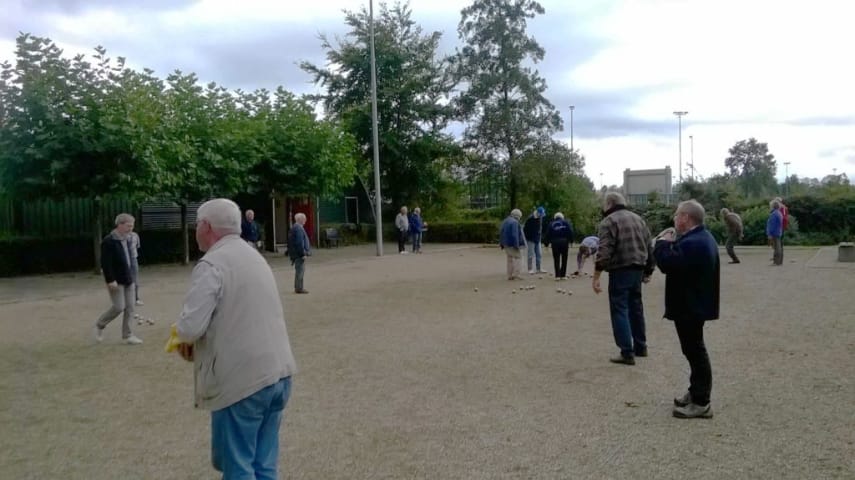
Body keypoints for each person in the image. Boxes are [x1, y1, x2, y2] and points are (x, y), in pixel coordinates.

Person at [173, 198, 297, 479]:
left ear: (205, 226)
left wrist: (183, 338)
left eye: (196, 225)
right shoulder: (254, 255)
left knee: (238, 467)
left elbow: (190, 327)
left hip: (243, 381)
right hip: (278, 373)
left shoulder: (213, 264)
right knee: (264, 465)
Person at [653, 200, 720, 419]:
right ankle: (695, 392)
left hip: (691, 306)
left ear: (686, 218)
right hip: (693, 304)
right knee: (692, 350)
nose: (674, 218)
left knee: (695, 351)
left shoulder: (695, 242)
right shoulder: (701, 238)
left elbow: (667, 263)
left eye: (677, 214)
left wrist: (662, 243)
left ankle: (701, 402)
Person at [592, 192, 655, 365]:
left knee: (619, 309)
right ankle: (641, 346)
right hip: (637, 269)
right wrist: (649, 270)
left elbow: (604, 251)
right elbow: (649, 246)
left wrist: (596, 275)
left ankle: (627, 352)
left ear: (610, 204)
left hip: (620, 269)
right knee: (636, 308)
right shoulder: (638, 219)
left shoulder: (609, 221)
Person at [93, 213, 143, 345]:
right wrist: (110, 280)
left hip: (128, 278)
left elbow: (131, 259)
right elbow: (105, 262)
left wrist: (133, 276)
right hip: (116, 280)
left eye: (132, 226)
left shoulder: (128, 239)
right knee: (119, 307)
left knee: (130, 307)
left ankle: (128, 335)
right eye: (128, 226)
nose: (131, 228)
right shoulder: (108, 241)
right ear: (119, 225)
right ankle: (100, 324)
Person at [544, 212, 574, 280]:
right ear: (562, 217)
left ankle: (557, 275)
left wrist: (546, 244)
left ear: (555, 217)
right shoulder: (566, 223)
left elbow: (547, 234)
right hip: (564, 242)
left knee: (556, 259)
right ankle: (563, 275)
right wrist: (571, 241)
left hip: (554, 243)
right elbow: (570, 232)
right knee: (564, 259)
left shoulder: (551, 224)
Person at [287, 212, 311, 294]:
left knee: (300, 270)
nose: (305, 220)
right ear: (300, 219)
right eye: (304, 218)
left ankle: (298, 287)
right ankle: (299, 288)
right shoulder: (298, 228)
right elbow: (299, 242)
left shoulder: (295, 227)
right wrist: (303, 254)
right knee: (300, 271)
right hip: (299, 254)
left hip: (296, 254)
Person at [499, 208, 526, 280]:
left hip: (506, 243)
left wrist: (501, 243)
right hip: (512, 243)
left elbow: (501, 231)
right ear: (518, 216)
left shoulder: (505, 221)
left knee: (509, 259)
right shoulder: (514, 222)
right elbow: (515, 235)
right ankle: (517, 274)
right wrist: (516, 245)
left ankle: (509, 275)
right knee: (518, 258)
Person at [523, 207, 547, 274]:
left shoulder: (540, 218)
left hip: (537, 239)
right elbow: (525, 230)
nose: (542, 216)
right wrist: (528, 238)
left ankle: (539, 269)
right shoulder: (530, 219)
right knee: (530, 254)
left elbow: (540, 228)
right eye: (541, 214)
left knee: (539, 254)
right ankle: (530, 269)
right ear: (538, 213)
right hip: (531, 239)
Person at [127, 228, 143, 305]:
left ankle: (136, 298)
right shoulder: (121, 236)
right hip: (124, 259)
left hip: (133, 258)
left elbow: (137, 246)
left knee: (135, 279)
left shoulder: (135, 235)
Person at [767, 199, 784, 266]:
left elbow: (772, 225)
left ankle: (777, 262)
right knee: (777, 247)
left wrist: (769, 234)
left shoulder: (774, 214)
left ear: (773, 206)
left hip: (774, 233)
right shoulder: (778, 213)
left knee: (776, 248)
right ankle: (778, 261)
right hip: (778, 232)